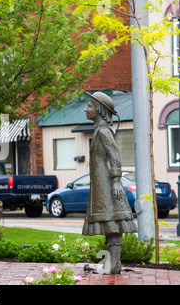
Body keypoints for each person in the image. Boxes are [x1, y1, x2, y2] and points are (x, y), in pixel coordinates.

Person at [82, 92, 137, 274]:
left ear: (99, 109)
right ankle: (111, 264)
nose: (86, 109)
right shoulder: (99, 130)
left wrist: (115, 180)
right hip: (101, 184)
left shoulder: (104, 131)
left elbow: (115, 155)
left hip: (107, 185)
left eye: (89, 106)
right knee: (108, 222)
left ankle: (113, 266)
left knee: (112, 221)